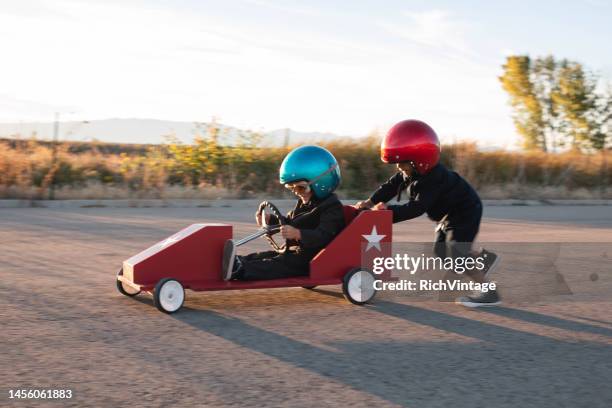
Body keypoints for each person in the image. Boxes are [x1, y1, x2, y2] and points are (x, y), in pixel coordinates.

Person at [354, 119, 501, 307]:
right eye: (397, 164)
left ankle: (490, 293)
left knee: (457, 254)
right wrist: (370, 202)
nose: (399, 168)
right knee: (440, 252)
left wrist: (387, 212)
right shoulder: (412, 171)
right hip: (447, 215)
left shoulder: (433, 179)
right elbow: (390, 187)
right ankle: (483, 260)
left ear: (420, 161)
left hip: (465, 211)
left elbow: (416, 208)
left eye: (403, 163)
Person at [222, 145, 345, 281]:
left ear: (321, 183)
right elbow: (290, 222)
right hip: (296, 253)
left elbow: (325, 236)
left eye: (300, 188)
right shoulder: (305, 202)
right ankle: (236, 261)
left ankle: (240, 270)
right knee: (266, 255)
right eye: (292, 188)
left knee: (276, 265)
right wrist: (271, 220)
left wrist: (298, 234)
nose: (297, 192)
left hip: (313, 259)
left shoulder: (332, 208)